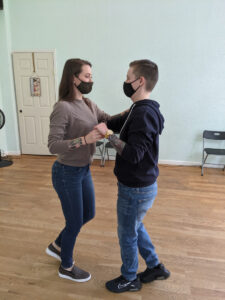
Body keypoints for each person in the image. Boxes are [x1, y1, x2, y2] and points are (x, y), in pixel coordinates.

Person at [46, 58, 126, 283]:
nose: (91, 80)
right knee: (74, 222)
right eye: (87, 76)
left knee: (88, 213)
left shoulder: (89, 104)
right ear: (74, 78)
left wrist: (131, 110)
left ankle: (57, 245)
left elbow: (108, 120)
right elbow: (53, 145)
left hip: (83, 170)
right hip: (65, 172)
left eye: (91, 76)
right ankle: (66, 266)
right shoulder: (62, 107)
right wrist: (83, 139)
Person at [95, 59, 170, 293]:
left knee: (127, 233)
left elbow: (134, 154)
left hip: (135, 187)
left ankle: (129, 278)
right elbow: (118, 122)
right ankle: (155, 266)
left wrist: (107, 135)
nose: (125, 82)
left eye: (128, 78)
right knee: (135, 226)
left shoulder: (143, 114)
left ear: (140, 81)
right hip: (139, 185)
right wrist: (99, 119)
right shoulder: (139, 110)